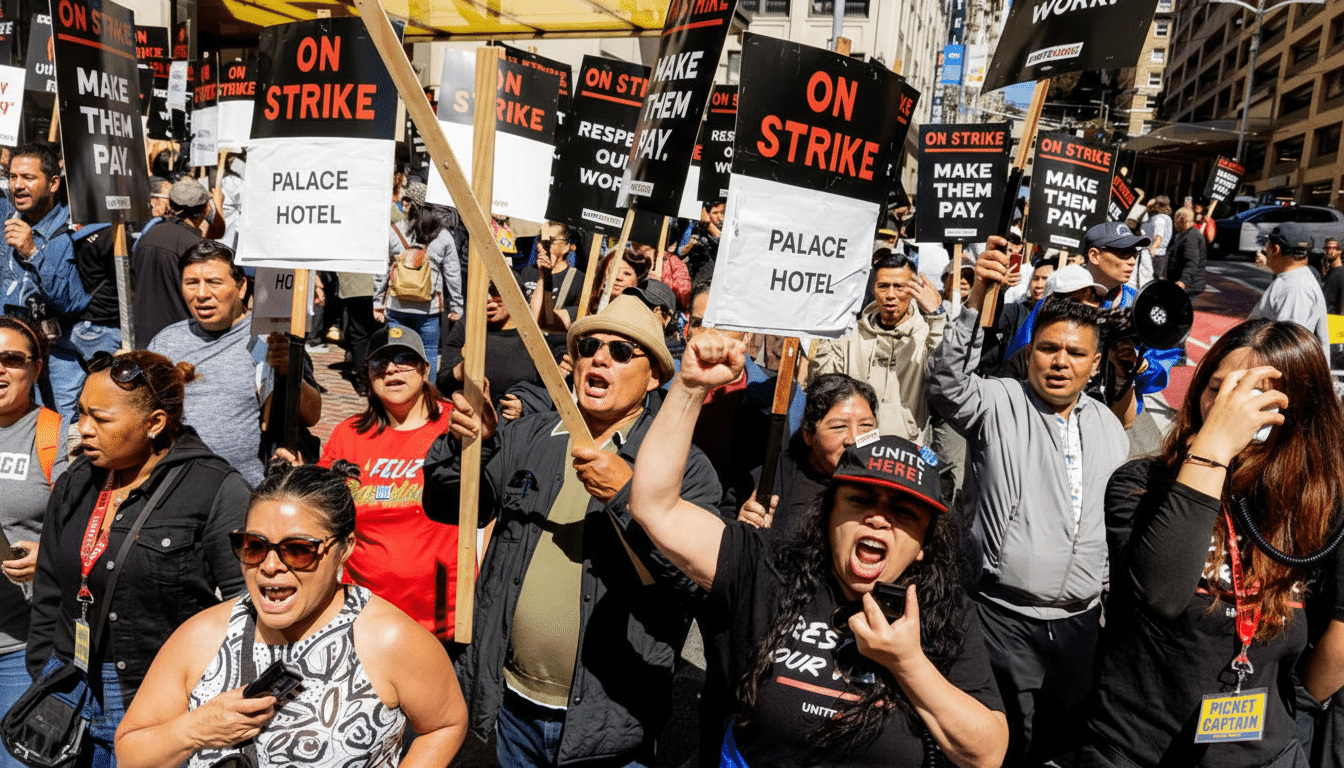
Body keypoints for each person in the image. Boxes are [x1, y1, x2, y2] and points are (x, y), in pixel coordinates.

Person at [628, 330, 1009, 768]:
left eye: (905, 513)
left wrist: (906, 662)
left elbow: (986, 753)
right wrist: (690, 387)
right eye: (862, 501)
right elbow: (656, 507)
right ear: (828, 514)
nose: (880, 519)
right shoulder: (770, 570)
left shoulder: (943, 612)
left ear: (924, 545)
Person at [423, 294, 721, 767]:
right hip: (513, 710)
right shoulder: (529, 436)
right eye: (589, 348)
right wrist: (465, 446)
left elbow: (694, 581)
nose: (600, 357)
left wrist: (625, 496)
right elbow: (449, 506)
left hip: (610, 725)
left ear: (654, 378)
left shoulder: (687, 471)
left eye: (623, 352)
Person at [1082, 319, 1344, 768]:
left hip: (1263, 753)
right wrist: (1214, 449)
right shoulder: (1142, 486)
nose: (1226, 409)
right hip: (1138, 750)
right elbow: (1162, 594)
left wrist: (1289, 710)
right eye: (1217, 391)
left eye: (1252, 396)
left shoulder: (1323, 505)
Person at [114, 461, 468, 767]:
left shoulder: (389, 640)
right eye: (254, 547)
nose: (270, 566)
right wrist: (195, 728)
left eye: (298, 550)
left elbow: (444, 724)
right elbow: (130, 754)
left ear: (344, 548)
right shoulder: (202, 636)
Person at [930, 247, 1131, 767]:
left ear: (1092, 363)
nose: (1060, 361)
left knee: (1060, 747)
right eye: (1048, 348)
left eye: (1074, 353)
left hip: (1081, 626)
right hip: (1002, 618)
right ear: (1029, 352)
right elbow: (948, 384)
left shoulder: (1109, 427)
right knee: (997, 748)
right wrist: (978, 297)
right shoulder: (997, 402)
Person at [27, 350, 251, 764]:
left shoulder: (215, 487)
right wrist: (44, 670)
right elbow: (49, 590)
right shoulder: (77, 481)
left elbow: (243, 607)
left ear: (155, 424)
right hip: (67, 684)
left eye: (101, 419)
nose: (83, 430)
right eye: (81, 414)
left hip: (153, 695)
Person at [315, 326, 465, 645]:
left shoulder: (456, 428)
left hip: (445, 620)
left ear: (426, 370)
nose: (391, 369)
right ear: (369, 377)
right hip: (367, 619)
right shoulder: (348, 435)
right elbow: (322, 512)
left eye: (404, 359)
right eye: (379, 363)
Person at [149, 241, 322, 485]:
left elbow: (311, 415)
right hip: (178, 485)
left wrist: (288, 369)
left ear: (241, 287)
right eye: (191, 283)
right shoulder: (165, 342)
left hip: (247, 488)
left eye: (214, 282)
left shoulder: (271, 339)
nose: (201, 294)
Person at [0, 317, 66, 766]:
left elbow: (91, 528)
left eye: (12, 360)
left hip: (20, 650)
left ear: (36, 370)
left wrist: (49, 555)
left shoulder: (58, 437)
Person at [811, 251, 945, 443]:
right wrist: (821, 333)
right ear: (873, 289)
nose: (890, 295)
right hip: (857, 447)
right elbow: (823, 383)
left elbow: (945, 372)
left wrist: (937, 316)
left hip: (907, 450)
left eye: (899, 287)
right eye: (883, 286)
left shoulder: (926, 334)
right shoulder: (850, 335)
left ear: (914, 290)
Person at [0, 142, 90, 419]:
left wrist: (32, 252)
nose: (17, 185)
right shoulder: (8, 219)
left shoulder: (73, 232)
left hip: (57, 358)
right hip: (11, 356)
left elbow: (72, 301)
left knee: (54, 433)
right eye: (12, 176)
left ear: (53, 183)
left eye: (28, 177)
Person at [374, 188, 464, 382]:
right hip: (429, 308)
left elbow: (382, 270)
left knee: (398, 355)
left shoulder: (395, 231)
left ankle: (401, 396)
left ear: (408, 204)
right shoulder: (443, 235)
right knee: (429, 355)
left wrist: (377, 303)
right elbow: (453, 274)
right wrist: (456, 305)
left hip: (397, 305)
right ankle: (428, 397)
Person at [440, 278, 567, 411]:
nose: (489, 298)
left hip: (522, 425)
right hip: (476, 420)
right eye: (484, 292)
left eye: (495, 292)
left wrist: (526, 405)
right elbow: (442, 382)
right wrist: (461, 370)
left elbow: (554, 390)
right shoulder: (466, 328)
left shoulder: (533, 331)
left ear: (515, 296)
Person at [131, 178, 209, 348]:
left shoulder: (148, 236)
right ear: (205, 210)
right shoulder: (196, 247)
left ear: (171, 206)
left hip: (144, 340)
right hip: (181, 343)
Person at [1251, 227, 1331, 357]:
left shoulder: (1294, 289)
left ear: (1275, 249)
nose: (1265, 251)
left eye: (1267, 246)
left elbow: (1287, 347)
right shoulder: (1299, 277)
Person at [527, 221, 588, 331]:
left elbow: (545, 320)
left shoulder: (578, 280)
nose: (541, 246)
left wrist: (544, 278)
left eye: (551, 241)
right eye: (540, 240)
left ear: (566, 247)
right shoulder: (528, 271)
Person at [1165, 207, 1208, 300]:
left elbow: (1192, 262)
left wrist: (1183, 281)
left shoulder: (1190, 237)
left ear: (1180, 221)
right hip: (1185, 282)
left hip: (1189, 284)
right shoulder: (1184, 234)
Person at [1138, 195, 1173, 286]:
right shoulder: (1161, 217)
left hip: (1154, 254)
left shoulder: (1159, 219)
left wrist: (1152, 249)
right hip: (1157, 253)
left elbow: (1159, 236)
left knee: (1149, 280)